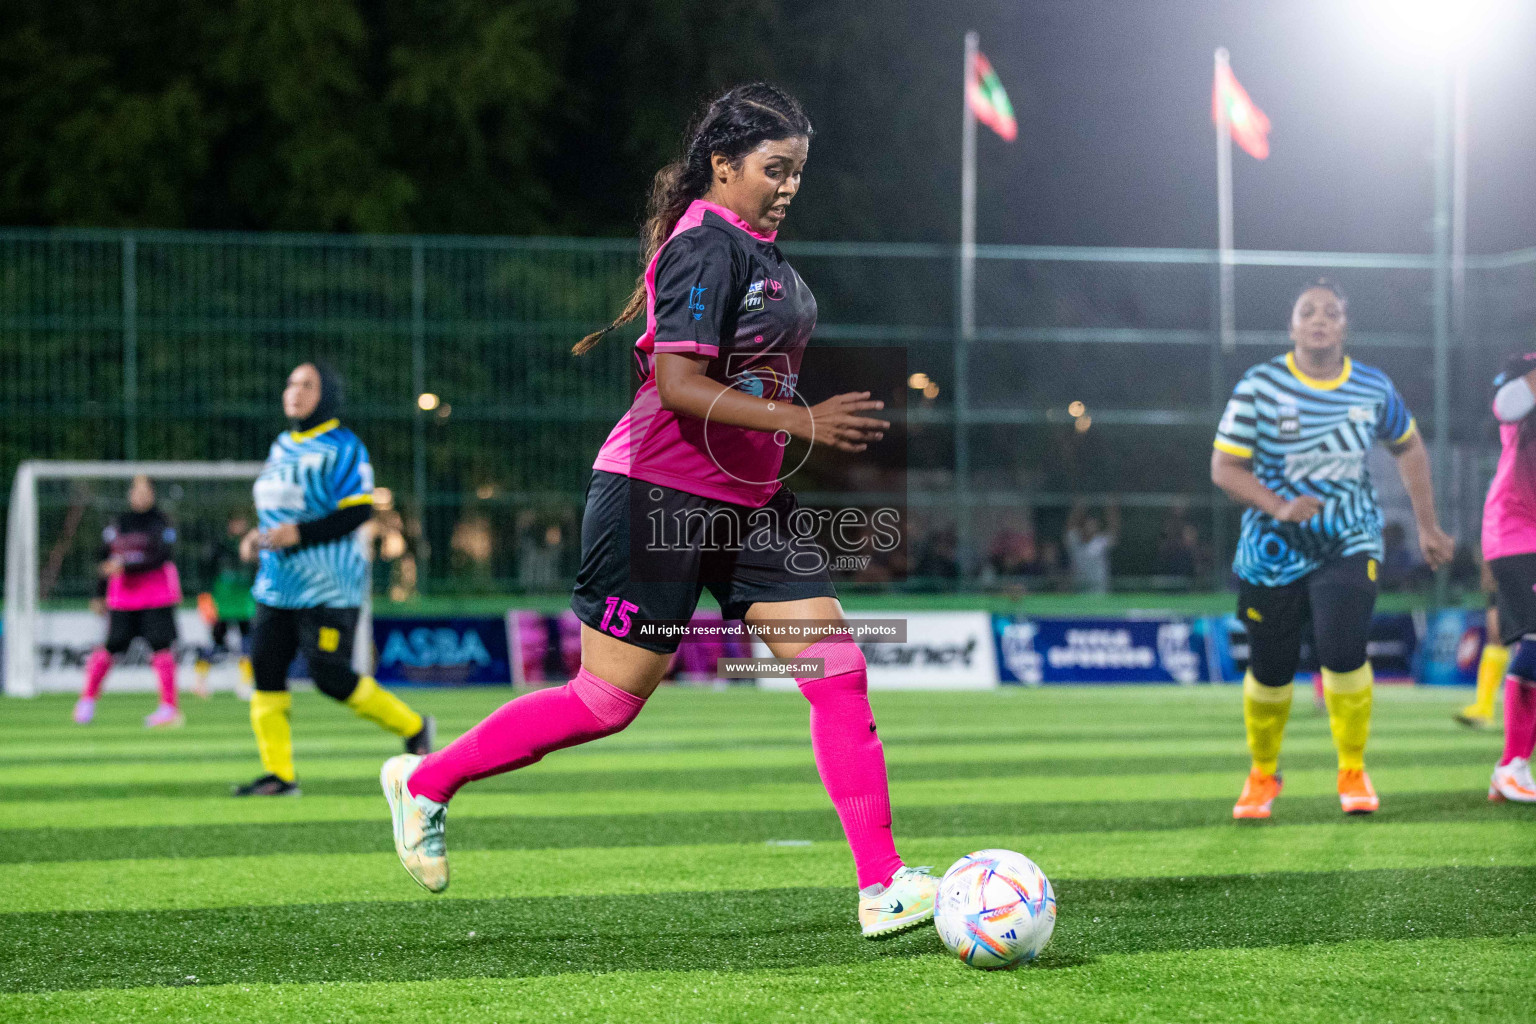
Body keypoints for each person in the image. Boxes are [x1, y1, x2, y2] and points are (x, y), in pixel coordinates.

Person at [379, 83, 937, 939]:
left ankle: (882, 884)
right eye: (773, 169)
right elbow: (678, 388)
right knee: (606, 701)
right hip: (657, 495)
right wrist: (803, 422)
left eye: (798, 172)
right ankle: (425, 782)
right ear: (723, 165)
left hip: (749, 504)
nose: (789, 186)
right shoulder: (703, 246)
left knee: (837, 669)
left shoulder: (762, 251)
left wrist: (789, 422)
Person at [1212, 279, 1454, 819]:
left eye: (1330, 312)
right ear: (1292, 325)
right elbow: (1224, 468)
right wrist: (1278, 506)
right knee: (1271, 668)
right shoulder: (1260, 385)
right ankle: (1262, 774)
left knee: (1342, 647)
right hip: (1269, 549)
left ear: (1344, 325)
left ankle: (1351, 769)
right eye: (1307, 311)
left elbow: (1409, 447)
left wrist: (1429, 527)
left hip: (1350, 538)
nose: (1319, 319)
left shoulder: (1371, 387)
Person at [234, 362, 434, 797]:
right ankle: (279, 776)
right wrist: (257, 536)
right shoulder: (282, 445)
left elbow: (359, 511)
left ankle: (415, 726)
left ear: (326, 394)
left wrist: (299, 534)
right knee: (265, 672)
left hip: (329, 587)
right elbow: (278, 514)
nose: (295, 391)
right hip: (276, 586)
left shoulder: (343, 446)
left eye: (308, 384)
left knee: (330, 675)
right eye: (291, 382)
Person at [72, 475, 185, 728]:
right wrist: (99, 593)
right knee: (112, 645)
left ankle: (169, 708)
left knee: (161, 646)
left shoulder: (162, 522)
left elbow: (161, 556)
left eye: (146, 490)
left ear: (153, 493)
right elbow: (105, 560)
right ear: (130, 494)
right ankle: (87, 700)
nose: (141, 495)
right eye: (137, 489)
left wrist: (126, 565)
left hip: (157, 595)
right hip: (123, 597)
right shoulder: (118, 523)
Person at [1478, 351, 1536, 801]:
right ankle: (1512, 764)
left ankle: (1512, 768)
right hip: (1516, 536)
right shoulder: (1518, 408)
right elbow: (1506, 401)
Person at [194, 513, 257, 700]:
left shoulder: (251, 545)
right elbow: (205, 573)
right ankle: (200, 680)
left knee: (247, 642)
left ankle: (245, 683)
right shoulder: (219, 546)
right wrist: (205, 598)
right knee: (217, 643)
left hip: (244, 601)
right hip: (222, 601)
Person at [1454, 563, 1508, 730]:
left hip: (1523, 557)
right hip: (1503, 563)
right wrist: (1488, 564)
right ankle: (1484, 708)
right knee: (1495, 636)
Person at [1064, 502, 1118, 595]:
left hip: (1098, 587)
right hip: (1078, 587)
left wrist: (1110, 507)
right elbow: (1070, 526)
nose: (1090, 527)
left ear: (1097, 527)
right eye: (1088, 524)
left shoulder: (1100, 542)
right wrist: (1079, 506)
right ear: (1082, 525)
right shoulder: (1075, 540)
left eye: (1093, 524)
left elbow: (1114, 530)